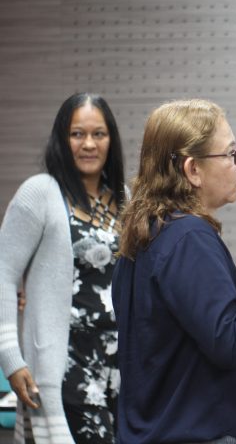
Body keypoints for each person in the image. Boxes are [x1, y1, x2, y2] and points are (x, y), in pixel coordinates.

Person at [112, 99, 236, 444]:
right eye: (231, 154)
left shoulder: (147, 234)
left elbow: (189, 337)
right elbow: (230, 340)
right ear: (193, 170)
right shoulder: (188, 237)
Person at [0, 93, 126, 443]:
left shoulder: (125, 199)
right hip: (66, 365)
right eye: (77, 134)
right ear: (61, 138)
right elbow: (3, 274)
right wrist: (11, 358)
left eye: (98, 134)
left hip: (121, 366)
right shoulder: (40, 193)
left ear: (111, 140)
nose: (88, 144)